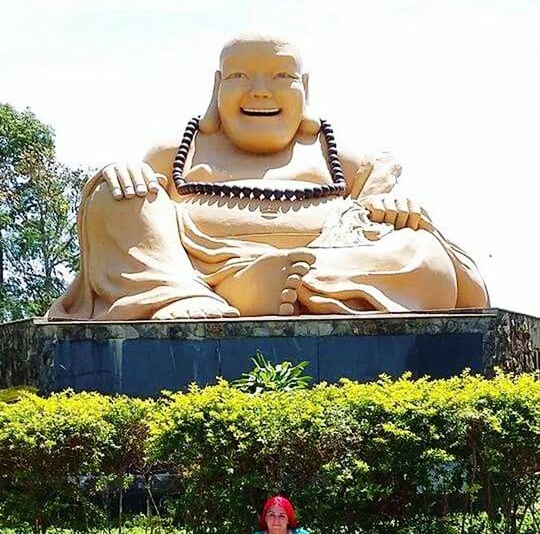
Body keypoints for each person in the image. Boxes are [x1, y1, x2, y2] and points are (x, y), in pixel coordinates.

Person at [46, 34, 489, 321]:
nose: (261, 90)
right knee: (115, 194)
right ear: (216, 86)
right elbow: (132, 227)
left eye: (281, 76)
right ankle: (188, 295)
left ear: (305, 88)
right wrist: (126, 173)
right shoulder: (178, 153)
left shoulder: (345, 161)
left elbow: (389, 228)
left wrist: (402, 213)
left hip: (316, 267)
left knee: (423, 252)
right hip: (195, 274)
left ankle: (264, 290)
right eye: (240, 76)